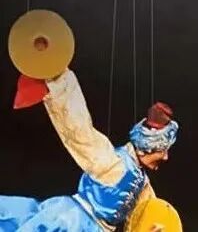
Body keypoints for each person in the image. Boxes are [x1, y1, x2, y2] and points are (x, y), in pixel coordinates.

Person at [0, 70, 179, 231]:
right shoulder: (111, 161)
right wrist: (57, 79)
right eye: (163, 150)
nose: (165, 157)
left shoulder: (142, 183)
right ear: (147, 148)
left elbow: (151, 212)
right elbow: (79, 129)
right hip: (74, 221)